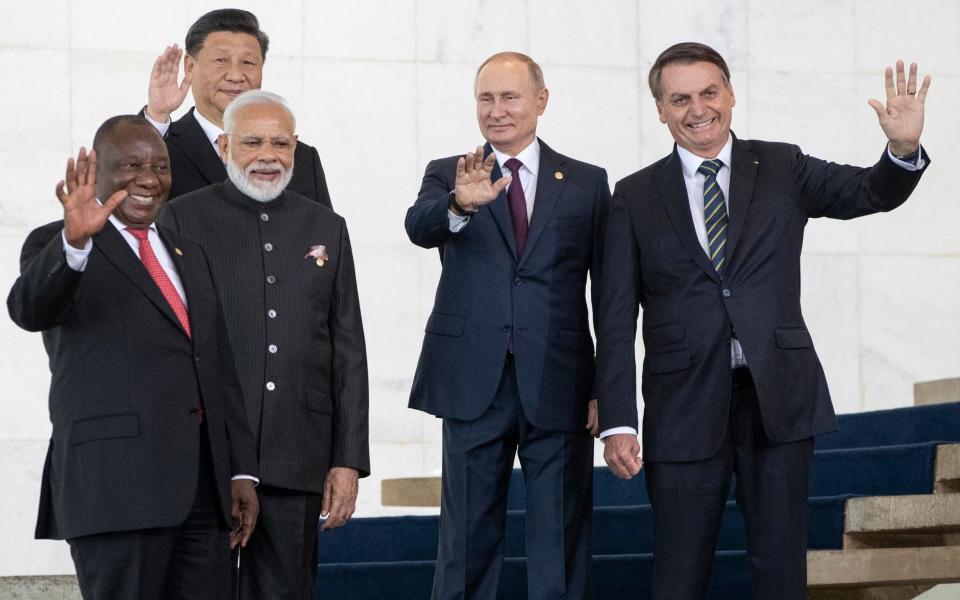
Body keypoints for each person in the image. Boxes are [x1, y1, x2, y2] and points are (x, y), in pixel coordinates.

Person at [596, 42, 931, 600]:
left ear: (730, 94)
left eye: (709, 92)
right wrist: (617, 420)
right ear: (659, 109)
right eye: (679, 99)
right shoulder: (633, 195)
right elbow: (612, 317)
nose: (697, 109)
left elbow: (868, 191)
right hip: (682, 404)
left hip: (778, 396)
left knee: (781, 573)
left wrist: (902, 148)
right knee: (677, 576)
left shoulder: (781, 165)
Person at [6, 116, 260, 600]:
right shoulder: (58, 241)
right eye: (132, 165)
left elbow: (218, 369)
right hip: (115, 491)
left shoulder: (190, 253)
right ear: (98, 169)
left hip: (203, 498)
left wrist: (239, 469)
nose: (149, 178)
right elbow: (29, 310)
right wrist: (75, 242)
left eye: (160, 166)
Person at [405, 51, 611, 600]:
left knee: (559, 541)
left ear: (541, 101)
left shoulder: (588, 183)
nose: (497, 110)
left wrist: (607, 389)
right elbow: (420, 226)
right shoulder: (451, 172)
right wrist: (459, 204)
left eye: (510, 97)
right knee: (466, 538)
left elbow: (610, 295)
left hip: (561, 381)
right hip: (474, 379)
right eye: (486, 98)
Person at [159, 90, 369, 600]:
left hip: (297, 454)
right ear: (226, 145)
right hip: (207, 460)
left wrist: (348, 459)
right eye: (252, 142)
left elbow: (348, 347)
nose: (268, 155)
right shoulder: (181, 219)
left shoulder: (326, 226)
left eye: (281, 143)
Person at [142, 8, 332, 206]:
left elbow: (327, 232)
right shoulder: (163, 145)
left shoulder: (300, 157)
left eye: (248, 62)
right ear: (190, 66)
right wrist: (157, 114)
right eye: (221, 61)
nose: (235, 75)